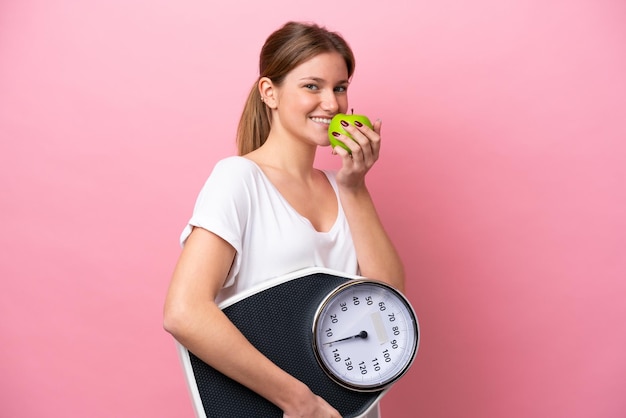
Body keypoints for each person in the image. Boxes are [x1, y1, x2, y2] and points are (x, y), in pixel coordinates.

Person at [163, 21, 405, 418]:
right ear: (269, 93)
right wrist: (300, 402)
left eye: (340, 87)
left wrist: (355, 186)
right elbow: (184, 311)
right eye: (312, 86)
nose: (331, 103)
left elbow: (388, 303)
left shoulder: (344, 188)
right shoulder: (238, 179)